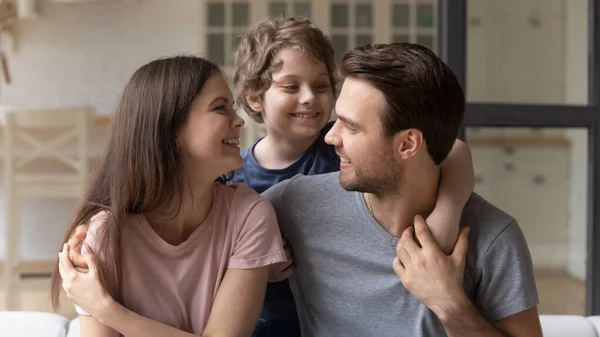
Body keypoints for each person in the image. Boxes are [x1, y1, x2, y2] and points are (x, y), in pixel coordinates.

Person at [260, 42, 543, 336]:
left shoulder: (493, 238)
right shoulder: (296, 204)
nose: (331, 137)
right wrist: (251, 271)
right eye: (337, 120)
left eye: (351, 126)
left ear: (408, 144)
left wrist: (448, 303)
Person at [231, 16, 475, 336]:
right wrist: (258, 267)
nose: (309, 97)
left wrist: (445, 217)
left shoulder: (353, 156)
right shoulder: (234, 178)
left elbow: (452, 150)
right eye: (291, 86)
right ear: (253, 96)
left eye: (320, 85)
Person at [51, 56, 287, 336]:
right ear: (172, 130)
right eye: (220, 108)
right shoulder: (105, 234)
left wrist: (108, 311)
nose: (239, 121)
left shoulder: (250, 216)